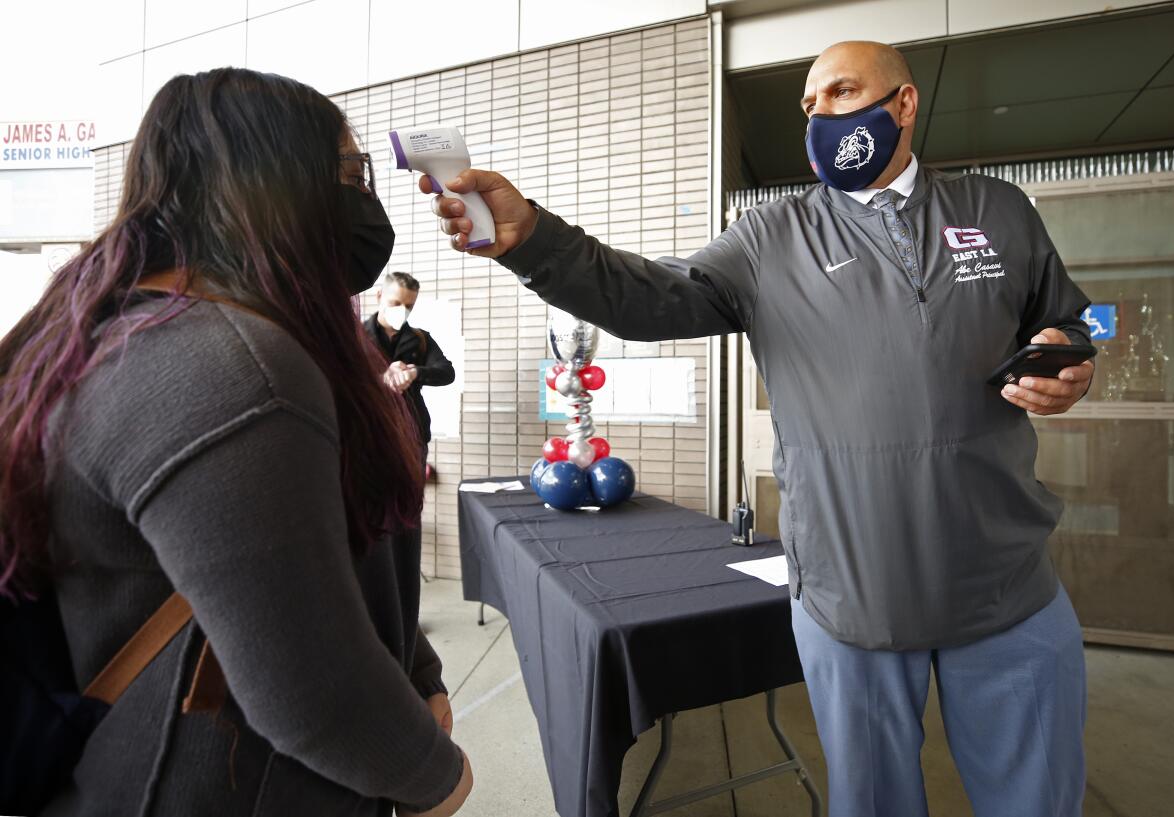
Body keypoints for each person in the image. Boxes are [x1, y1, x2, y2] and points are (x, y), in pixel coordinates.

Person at [424, 41, 1093, 817]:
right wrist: (536, 238)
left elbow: (1064, 325)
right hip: (852, 594)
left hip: (1005, 582)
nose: (820, 114)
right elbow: (650, 298)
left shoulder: (997, 211)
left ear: (904, 104)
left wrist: (1070, 365)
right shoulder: (771, 236)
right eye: (809, 105)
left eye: (842, 93)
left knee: (1038, 801)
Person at [0, 68, 471, 817]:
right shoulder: (231, 366)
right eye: (353, 174)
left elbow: (312, 560)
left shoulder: (148, 328)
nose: (368, 201)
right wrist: (436, 776)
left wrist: (418, 668)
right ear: (274, 180)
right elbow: (314, 684)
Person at [366, 272, 456, 455]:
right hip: (367, 433)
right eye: (396, 303)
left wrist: (414, 372)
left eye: (409, 306)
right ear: (379, 296)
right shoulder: (355, 338)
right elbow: (339, 380)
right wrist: (382, 379)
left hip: (412, 435)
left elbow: (447, 372)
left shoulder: (420, 338)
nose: (402, 311)